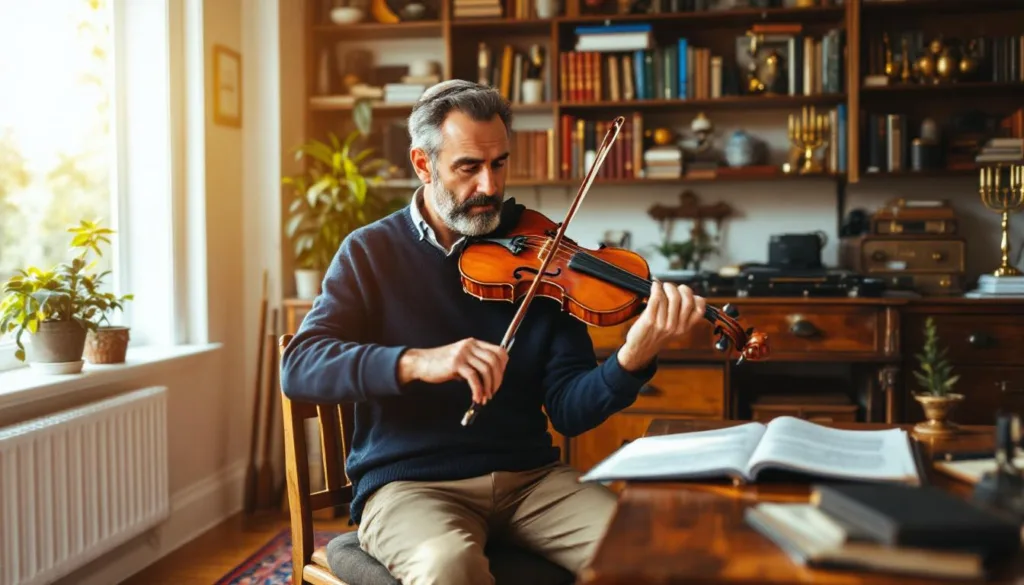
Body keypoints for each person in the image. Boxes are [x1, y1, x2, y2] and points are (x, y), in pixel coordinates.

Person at [279, 79, 708, 585]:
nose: (489, 186)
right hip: (412, 487)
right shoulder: (369, 252)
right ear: (423, 164)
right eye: (468, 167)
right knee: (448, 566)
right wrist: (418, 361)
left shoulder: (543, 251)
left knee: (647, 551)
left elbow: (570, 409)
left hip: (533, 481)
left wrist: (633, 358)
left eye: (499, 163)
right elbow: (300, 367)